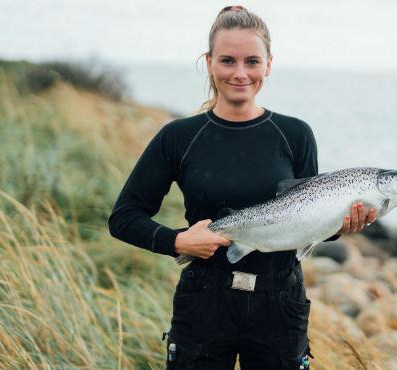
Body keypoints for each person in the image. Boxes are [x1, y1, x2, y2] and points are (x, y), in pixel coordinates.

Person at [108, 5, 376, 370]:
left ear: (268, 64)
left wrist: (339, 226)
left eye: (252, 61)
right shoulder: (179, 137)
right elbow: (123, 218)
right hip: (204, 301)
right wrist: (177, 241)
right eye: (227, 61)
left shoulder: (295, 135)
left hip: (279, 304)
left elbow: (307, 225)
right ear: (209, 63)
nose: (240, 73)